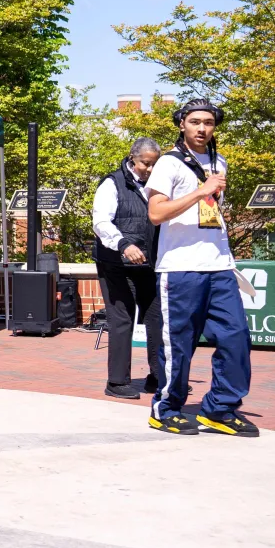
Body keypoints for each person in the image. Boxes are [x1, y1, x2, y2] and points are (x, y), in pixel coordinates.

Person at [144, 98, 257, 437]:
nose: (202, 128)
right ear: (182, 124)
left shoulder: (218, 160)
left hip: (219, 266)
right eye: (195, 121)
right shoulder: (169, 163)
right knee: (179, 344)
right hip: (181, 268)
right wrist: (201, 191)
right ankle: (166, 409)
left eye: (208, 122)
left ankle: (220, 409)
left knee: (236, 337)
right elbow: (156, 213)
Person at [93, 137, 162, 400]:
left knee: (157, 318)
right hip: (116, 263)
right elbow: (100, 221)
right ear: (133, 157)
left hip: (149, 264)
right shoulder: (112, 183)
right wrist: (123, 244)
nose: (150, 169)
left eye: (154, 164)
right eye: (146, 163)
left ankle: (158, 377)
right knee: (122, 319)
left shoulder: (159, 185)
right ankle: (117, 381)